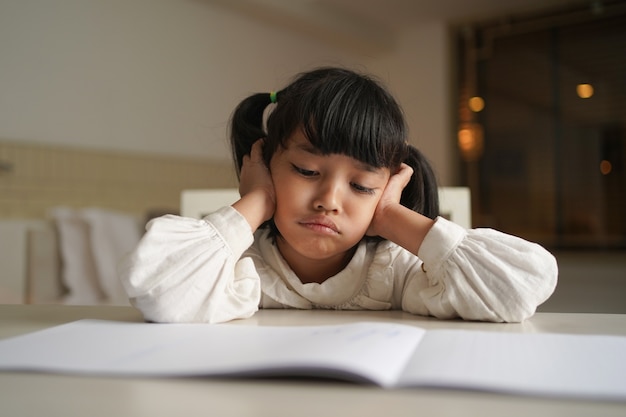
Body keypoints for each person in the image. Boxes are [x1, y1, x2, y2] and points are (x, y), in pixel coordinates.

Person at [119, 67, 557, 324]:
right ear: (267, 163)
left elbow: (518, 291)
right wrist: (255, 202)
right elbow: (156, 287)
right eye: (307, 170)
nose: (329, 199)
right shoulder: (240, 266)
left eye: (362, 186)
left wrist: (390, 216)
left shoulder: (395, 271)